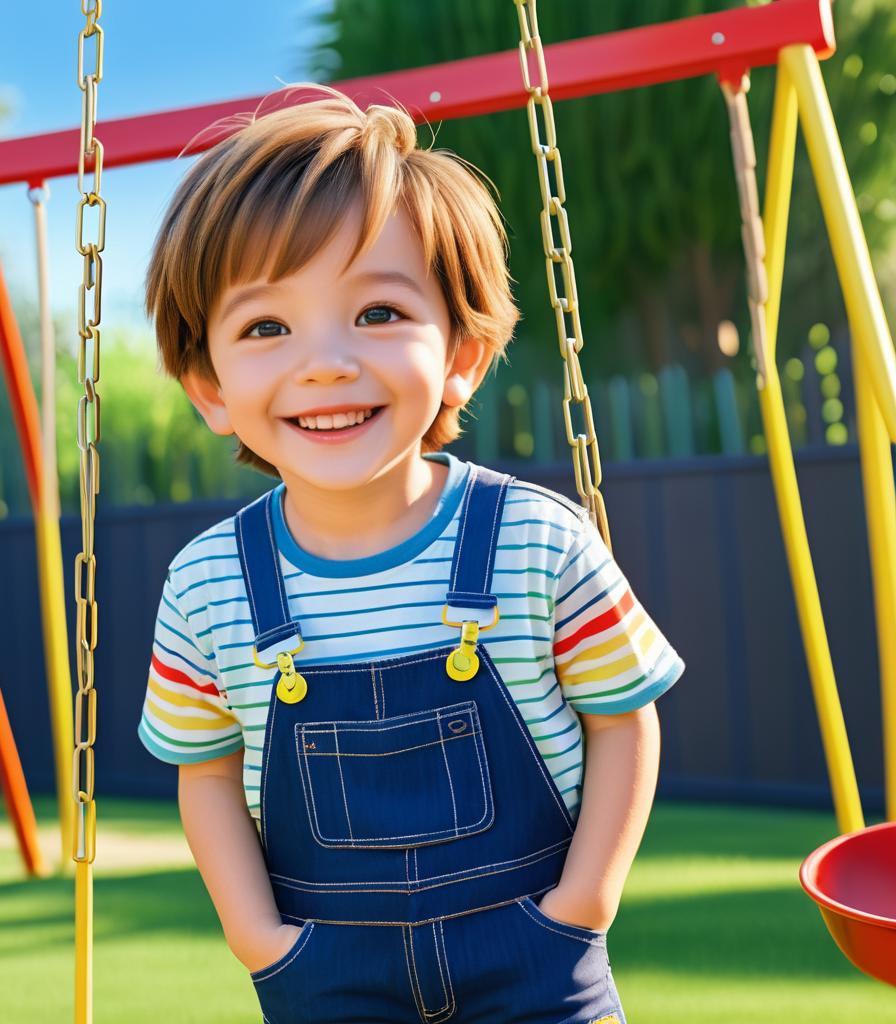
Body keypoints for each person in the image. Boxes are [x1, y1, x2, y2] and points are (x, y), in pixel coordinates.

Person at [136, 82, 684, 1024]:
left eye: (378, 313)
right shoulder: (209, 583)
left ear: (463, 354)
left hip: (537, 969)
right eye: (267, 327)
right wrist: (259, 941)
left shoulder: (535, 541)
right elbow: (209, 775)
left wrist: (583, 906)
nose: (326, 362)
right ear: (209, 387)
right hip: (326, 978)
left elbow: (623, 722)